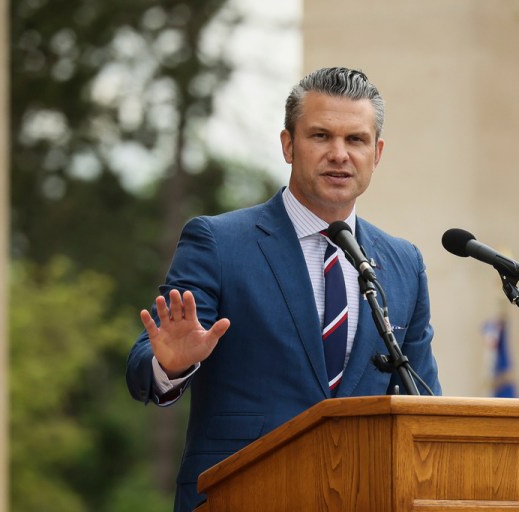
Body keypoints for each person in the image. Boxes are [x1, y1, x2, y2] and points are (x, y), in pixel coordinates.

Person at [126, 66, 441, 511]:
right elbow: (142, 365)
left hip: (362, 497)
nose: (339, 154)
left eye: (355, 140)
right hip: (239, 496)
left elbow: (423, 403)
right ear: (288, 145)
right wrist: (169, 366)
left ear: (378, 152)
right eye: (320, 136)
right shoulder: (219, 242)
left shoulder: (403, 263)